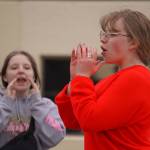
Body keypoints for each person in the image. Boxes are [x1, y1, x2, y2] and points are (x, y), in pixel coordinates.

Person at [55, 9, 150, 150]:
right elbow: (73, 120)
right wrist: (75, 80)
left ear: (133, 42)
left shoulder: (137, 78)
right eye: (104, 33)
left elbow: (90, 120)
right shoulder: (114, 79)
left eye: (112, 34)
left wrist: (82, 77)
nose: (103, 39)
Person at [0, 50, 66, 149]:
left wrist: (37, 105)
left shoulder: (45, 105)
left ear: (34, 76)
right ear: (4, 77)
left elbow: (56, 136)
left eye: (27, 67)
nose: (21, 71)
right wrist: (6, 104)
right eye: (14, 67)